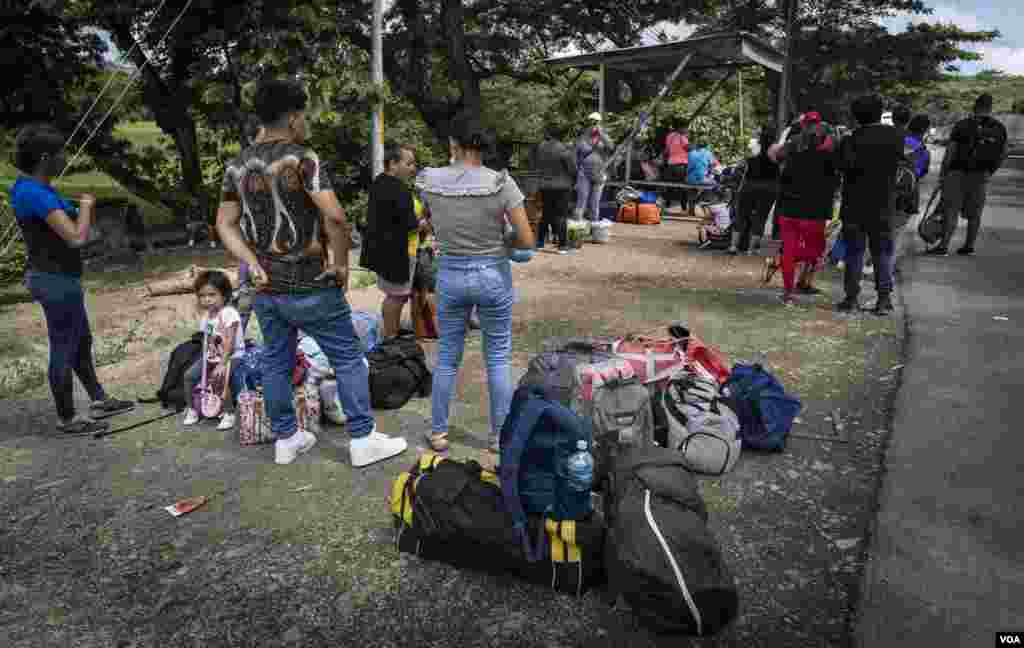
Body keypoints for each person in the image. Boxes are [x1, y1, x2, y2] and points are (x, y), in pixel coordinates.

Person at [216, 79, 407, 467]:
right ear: (292, 116)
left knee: (276, 360)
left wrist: (251, 263)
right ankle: (362, 437)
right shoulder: (304, 159)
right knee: (348, 357)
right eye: (303, 115)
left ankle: (286, 439)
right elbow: (335, 216)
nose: (305, 123)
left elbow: (224, 224)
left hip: (267, 286)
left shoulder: (236, 165)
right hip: (311, 283)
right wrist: (340, 264)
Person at [415, 117, 535, 464]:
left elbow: (427, 221)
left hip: (450, 274)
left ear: (454, 142)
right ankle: (498, 437)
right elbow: (526, 239)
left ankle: (438, 432)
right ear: (482, 146)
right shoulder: (500, 182)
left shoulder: (430, 180)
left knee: (448, 357)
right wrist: (503, 242)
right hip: (492, 274)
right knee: (497, 358)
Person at [9, 123, 134, 435]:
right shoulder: (36, 193)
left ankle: (99, 399)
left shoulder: (31, 188)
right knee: (64, 346)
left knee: (81, 341)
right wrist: (88, 208)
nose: (66, 159)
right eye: (60, 154)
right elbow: (77, 238)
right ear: (45, 158)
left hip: (57, 277)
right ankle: (67, 417)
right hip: (54, 280)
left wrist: (75, 209)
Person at [835, 94, 906, 315]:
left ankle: (851, 298)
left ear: (856, 117)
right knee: (882, 253)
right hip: (883, 204)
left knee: (854, 252)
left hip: (854, 205)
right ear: (879, 112)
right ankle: (884, 300)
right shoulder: (895, 137)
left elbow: (841, 166)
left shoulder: (850, 140)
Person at [768, 113, 840, 305]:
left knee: (790, 252)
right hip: (814, 211)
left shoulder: (792, 147)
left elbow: (774, 155)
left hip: (789, 208)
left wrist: (783, 140)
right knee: (816, 252)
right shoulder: (830, 150)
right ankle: (788, 268)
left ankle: (788, 293)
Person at [359, 142, 427, 339]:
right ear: (392, 164)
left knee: (395, 295)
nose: (413, 169)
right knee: (396, 297)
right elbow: (410, 224)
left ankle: (392, 331)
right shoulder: (399, 189)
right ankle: (390, 337)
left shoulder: (379, 183)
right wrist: (423, 223)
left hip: (383, 251)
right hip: (399, 252)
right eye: (409, 164)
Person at [931, 93, 1009, 256]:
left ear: (975, 106)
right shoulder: (999, 128)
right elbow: (1003, 153)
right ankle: (968, 246)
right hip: (981, 175)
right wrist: (990, 171)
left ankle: (943, 246)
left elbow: (950, 152)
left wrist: (943, 174)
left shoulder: (962, 125)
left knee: (951, 210)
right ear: (990, 108)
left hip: (957, 173)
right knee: (975, 213)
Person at [181, 270, 245, 430]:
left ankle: (229, 412)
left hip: (232, 356)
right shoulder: (206, 318)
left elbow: (230, 342)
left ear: (224, 295)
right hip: (213, 356)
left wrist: (222, 364)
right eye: (202, 296)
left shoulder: (229, 313)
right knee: (189, 376)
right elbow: (208, 342)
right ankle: (192, 409)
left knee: (219, 377)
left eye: (212, 295)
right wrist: (207, 360)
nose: (207, 299)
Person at [730, 127, 779, 255]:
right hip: (769, 187)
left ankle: (733, 246)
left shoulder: (752, 150)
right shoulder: (777, 153)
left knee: (741, 215)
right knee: (760, 217)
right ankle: (751, 249)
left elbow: (743, 169)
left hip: (749, 185)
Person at [529, 124, 577, 254]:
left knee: (546, 214)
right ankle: (562, 246)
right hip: (562, 187)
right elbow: (572, 168)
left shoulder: (540, 147)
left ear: (548, 134)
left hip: (544, 185)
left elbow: (534, 163)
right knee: (561, 215)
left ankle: (539, 243)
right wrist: (573, 180)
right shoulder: (563, 148)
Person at [574, 112, 615, 222]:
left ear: (600, 123)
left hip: (599, 174)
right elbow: (576, 155)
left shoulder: (604, 137)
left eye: (596, 122)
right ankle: (578, 227)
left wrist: (601, 133)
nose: (593, 124)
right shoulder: (582, 137)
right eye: (592, 122)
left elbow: (611, 147)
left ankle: (594, 228)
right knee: (581, 201)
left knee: (595, 203)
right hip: (584, 173)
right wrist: (577, 170)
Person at [663, 121, 689, 210]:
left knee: (670, 185)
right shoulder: (682, 137)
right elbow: (688, 148)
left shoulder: (669, 136)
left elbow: (667, 149)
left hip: (670, 163)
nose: (686, 129)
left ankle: (667, 203)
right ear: (680, 128)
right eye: (685, 128)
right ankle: (684, 206)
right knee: (683, 186)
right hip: (681, 164)